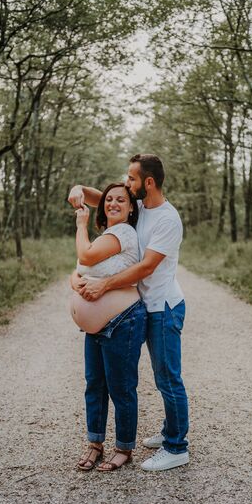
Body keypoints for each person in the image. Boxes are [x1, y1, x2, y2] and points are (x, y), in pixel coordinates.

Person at [68, 154, 189, 471]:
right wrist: (78, 188)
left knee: (167, 378)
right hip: (145, 306)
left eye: (131, 179)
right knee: (151, 378)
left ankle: (177, 447)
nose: (127, 182)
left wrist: (105, 285)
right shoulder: (142, 207)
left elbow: (146, 267)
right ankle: (168, 434)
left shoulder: (167, 219)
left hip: (163, 306)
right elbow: (105, 197)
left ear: (147, 183)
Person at [71, 182, 147, 472]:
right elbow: (84, 266)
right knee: (95, 385)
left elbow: (86, 256)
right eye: (109, 199)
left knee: (121, 387)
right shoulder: (107, 235)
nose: (113, 203)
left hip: (122, 322)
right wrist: (74, 280)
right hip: (97, 326)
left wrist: (81, 224)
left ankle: (124, 448)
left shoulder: (123, 232)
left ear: (131, 209)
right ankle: (94, 444)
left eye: (121, 200)